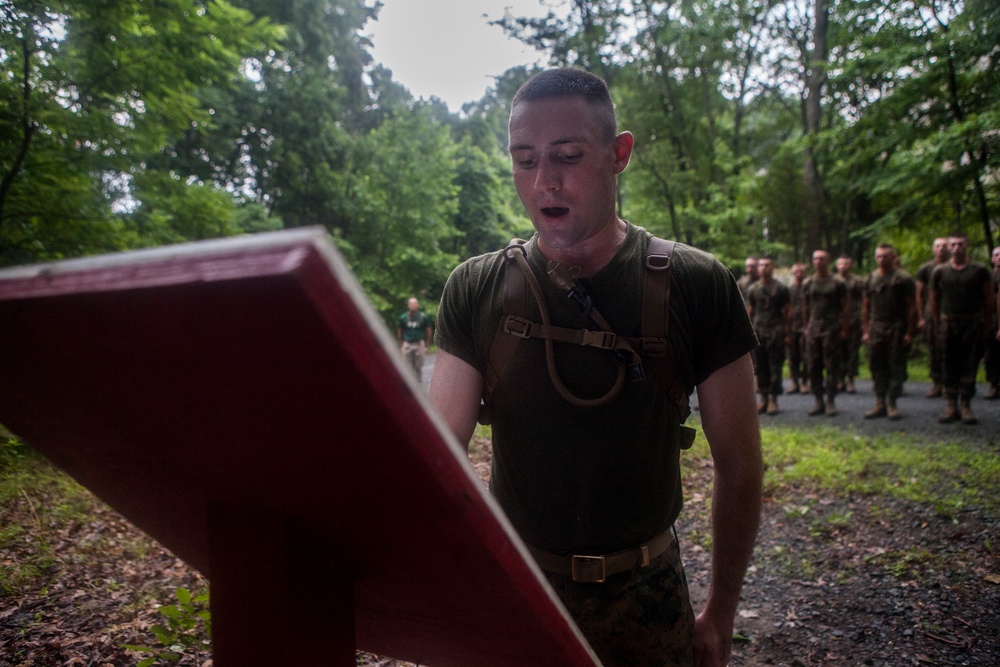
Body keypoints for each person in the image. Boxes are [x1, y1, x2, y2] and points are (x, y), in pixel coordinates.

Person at [429, 68, 763, 667]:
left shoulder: (698, 284)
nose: (544, 181)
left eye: (568, 156)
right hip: (519, 593)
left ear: (619, 154)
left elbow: (739, 464)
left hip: (649, 601)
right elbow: (439, 456)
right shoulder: (476, 288)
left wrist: (722, 611)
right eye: (525, 160)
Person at [929, 233, 994, 424]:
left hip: (972, 322)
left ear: (967, 245)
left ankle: (965, 404)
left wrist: (986, 323)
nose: (957, 248)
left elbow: (989, 298)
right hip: (948, 322)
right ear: (949, 247)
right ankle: (951, 404)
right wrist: (937, 322)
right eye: (953, 244)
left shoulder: (979, 270)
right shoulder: (940, 271)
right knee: (948, 363)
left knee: (970, 362)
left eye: (960, 244)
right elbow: (934, 298)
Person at [861, 245, 917, 420]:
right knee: (876, 364)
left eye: (885, 256)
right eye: (878, 256)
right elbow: (865, 306)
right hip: (876, 326)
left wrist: (909, 332)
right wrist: (865, 330)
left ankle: (892, 403)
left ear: (893, 257)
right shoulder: (871, 278)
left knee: (896, 364)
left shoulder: (903, 278)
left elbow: (912, 307)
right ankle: (879, 402)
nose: (881, 259)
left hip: (896, 326)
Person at [802, 249, 849, 416]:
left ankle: (830, 401)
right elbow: (806, 306)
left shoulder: (837, 282)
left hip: (832, 328)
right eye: (815, 259)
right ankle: (818, 400)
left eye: (821, 259)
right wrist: (807, 327)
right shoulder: (808, 282)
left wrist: (844, 329)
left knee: (832, 365)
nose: (818, 262)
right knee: (813, 365)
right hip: (814, 328)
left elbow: (845, 307)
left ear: (829, 261)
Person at [746, 257, 792, 415]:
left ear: (773, 267)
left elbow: (788, 312)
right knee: (759, 365)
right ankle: (763, 397)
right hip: (759, 331)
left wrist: (787, 333)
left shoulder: (781, 288)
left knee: (775, 365)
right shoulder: (753, 289)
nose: (763, 267)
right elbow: (750, 312)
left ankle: (773, 399)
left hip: (775, 330)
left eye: (767, 265)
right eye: (761, 265)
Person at [916, 237, 951, 397]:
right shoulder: (926, 268)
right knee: (934, 348)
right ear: (933, 249)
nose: (941, 249)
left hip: (951, 312)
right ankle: (937, 382)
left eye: (944, 246)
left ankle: (949, 383)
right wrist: (921, 317)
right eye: (938, 246)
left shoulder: (956, 267)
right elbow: (919, 293)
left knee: (951, 349)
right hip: (931, 312)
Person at [836, 255, 863, 394]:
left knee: (852, 351)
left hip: (853, 320)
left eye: (846, 264)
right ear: (836, 266)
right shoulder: (833, 281)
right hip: (836, 321)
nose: (843, 266)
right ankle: (840, 379)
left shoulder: (858, 281)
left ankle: (851, 380)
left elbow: (865, 300)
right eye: (841, 264)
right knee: (838, 351)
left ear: (851, 265)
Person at [396, 297, 432, 381]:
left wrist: (427, 346)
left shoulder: (423, 317)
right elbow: (400, 332)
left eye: (415, 303)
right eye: (411, 303)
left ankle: (418, 384)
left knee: (418, 367)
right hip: (408, 344)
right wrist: (401, 345)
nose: (413, 305)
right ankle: (409, 384)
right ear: (408, 305)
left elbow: (429, 332)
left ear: (418, 305)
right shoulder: (403, 317)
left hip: (419, 343)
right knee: (407, 367)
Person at [786, 262, 810, 394]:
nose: (799, 274)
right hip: (792, 326)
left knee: (806, 356)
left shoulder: (809, 287)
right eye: (796, 272)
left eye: (801, 272)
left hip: (807, 327)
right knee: (792, 356)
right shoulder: (788, 290)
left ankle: (805, 382)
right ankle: (795, 382)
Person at [983, 246, 1000, 399]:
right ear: (992, 258)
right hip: (992, 319)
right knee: (991, 354)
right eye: (996, 254)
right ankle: (994, 384)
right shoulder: (987, 277)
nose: (999, 257)